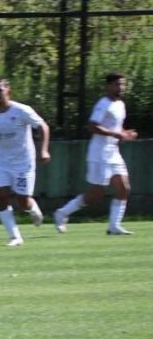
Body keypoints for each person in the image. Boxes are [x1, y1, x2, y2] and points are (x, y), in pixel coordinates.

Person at [54, 73, 139, 235]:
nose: (120, 88)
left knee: (124, 188)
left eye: (122, 84)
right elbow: (92, 126)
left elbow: (115, 127)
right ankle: (62, 213)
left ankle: (114, 226)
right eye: (117, 84)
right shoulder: (103, 103)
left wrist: (125, 133)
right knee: (95, 194)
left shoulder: (120, 104)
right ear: (108, 87)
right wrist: (116, 135)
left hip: (113, 152)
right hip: (99, 154)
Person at [0, 78, 51, 246]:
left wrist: (44, 150)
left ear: (8, 91)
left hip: (23, 162)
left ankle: (32, 208)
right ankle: (15, 236)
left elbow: (43, 126)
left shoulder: (22, 110)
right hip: (1, 162)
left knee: (23, 201)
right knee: (0, 196)